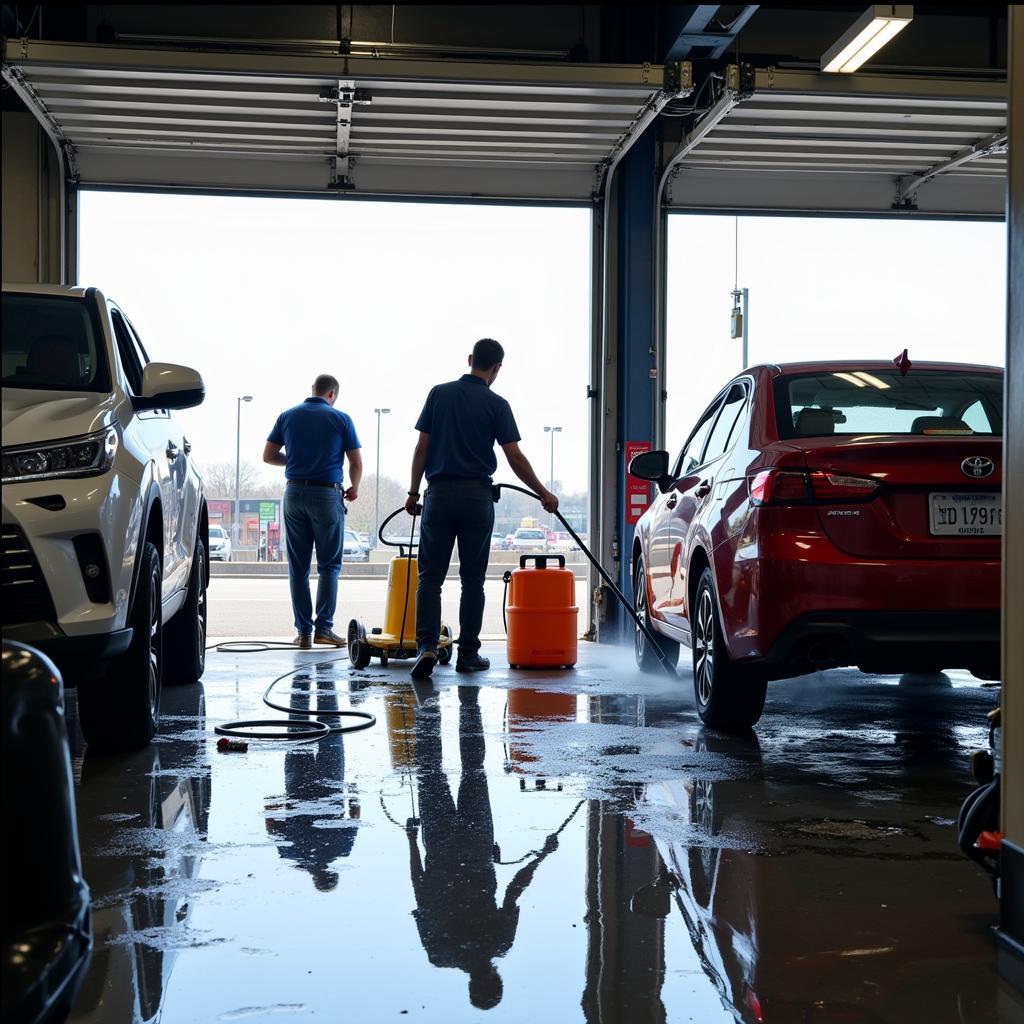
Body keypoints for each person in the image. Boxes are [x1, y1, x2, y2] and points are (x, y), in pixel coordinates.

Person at [404, 338, 557, 679]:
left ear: (470, 358)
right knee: (472, 580)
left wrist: (413, 492)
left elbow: (421, 449)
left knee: (429, 578)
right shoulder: (497, 404)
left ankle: (427, 647)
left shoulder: (438, 394)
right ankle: (467, 654)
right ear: (497, 368)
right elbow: (514, 457)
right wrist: (544, 493)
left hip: (439, 495)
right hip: (476, 497)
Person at [406, 686, 558, 1009]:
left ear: (495, 980)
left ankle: (469, 704)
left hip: (477, 848)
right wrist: (410, 841)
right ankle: (427, 706)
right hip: (441, 847)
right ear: (472, 987)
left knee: (474, 770)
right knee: (431, 772)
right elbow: (419, 888)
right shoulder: (439, 952)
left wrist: (542, 856)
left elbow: (515, 888)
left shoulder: (500, 941)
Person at [264, 374, 362, 648]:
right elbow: (356, 461)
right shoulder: (341, 419)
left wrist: (294, 460)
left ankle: (304, 633)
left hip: (294, 492)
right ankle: (324, 629)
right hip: (327, 494)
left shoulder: (287, 416)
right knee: (329, 565)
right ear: (332, 394)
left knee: (298, 568)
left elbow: (268, 455)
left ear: (313, 390)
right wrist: (354, 487)